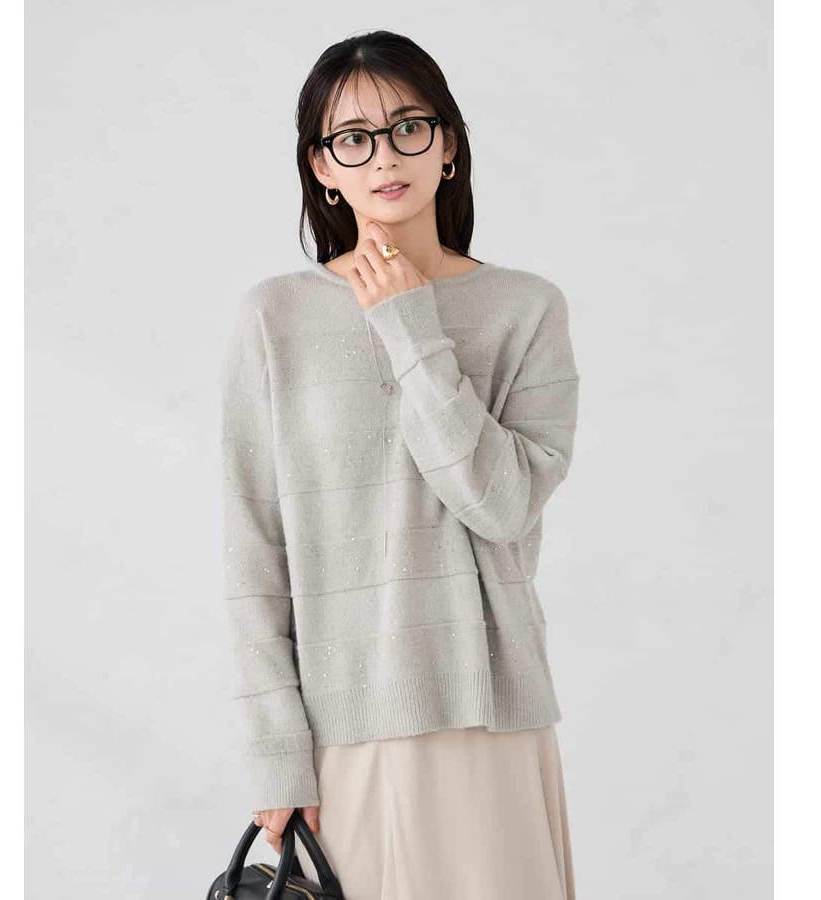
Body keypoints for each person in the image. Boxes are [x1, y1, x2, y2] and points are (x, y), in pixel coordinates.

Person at [221, 29, 580, 899]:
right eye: (354, 137)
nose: (385, 156)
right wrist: (276, 750)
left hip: (490, 719)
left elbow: (501, 506)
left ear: (448, 145)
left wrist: (410, 327)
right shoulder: (275, 317)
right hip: (343, 733)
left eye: (409, 127)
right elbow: (253, 547)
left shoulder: (526, 309)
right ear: (322, 167)